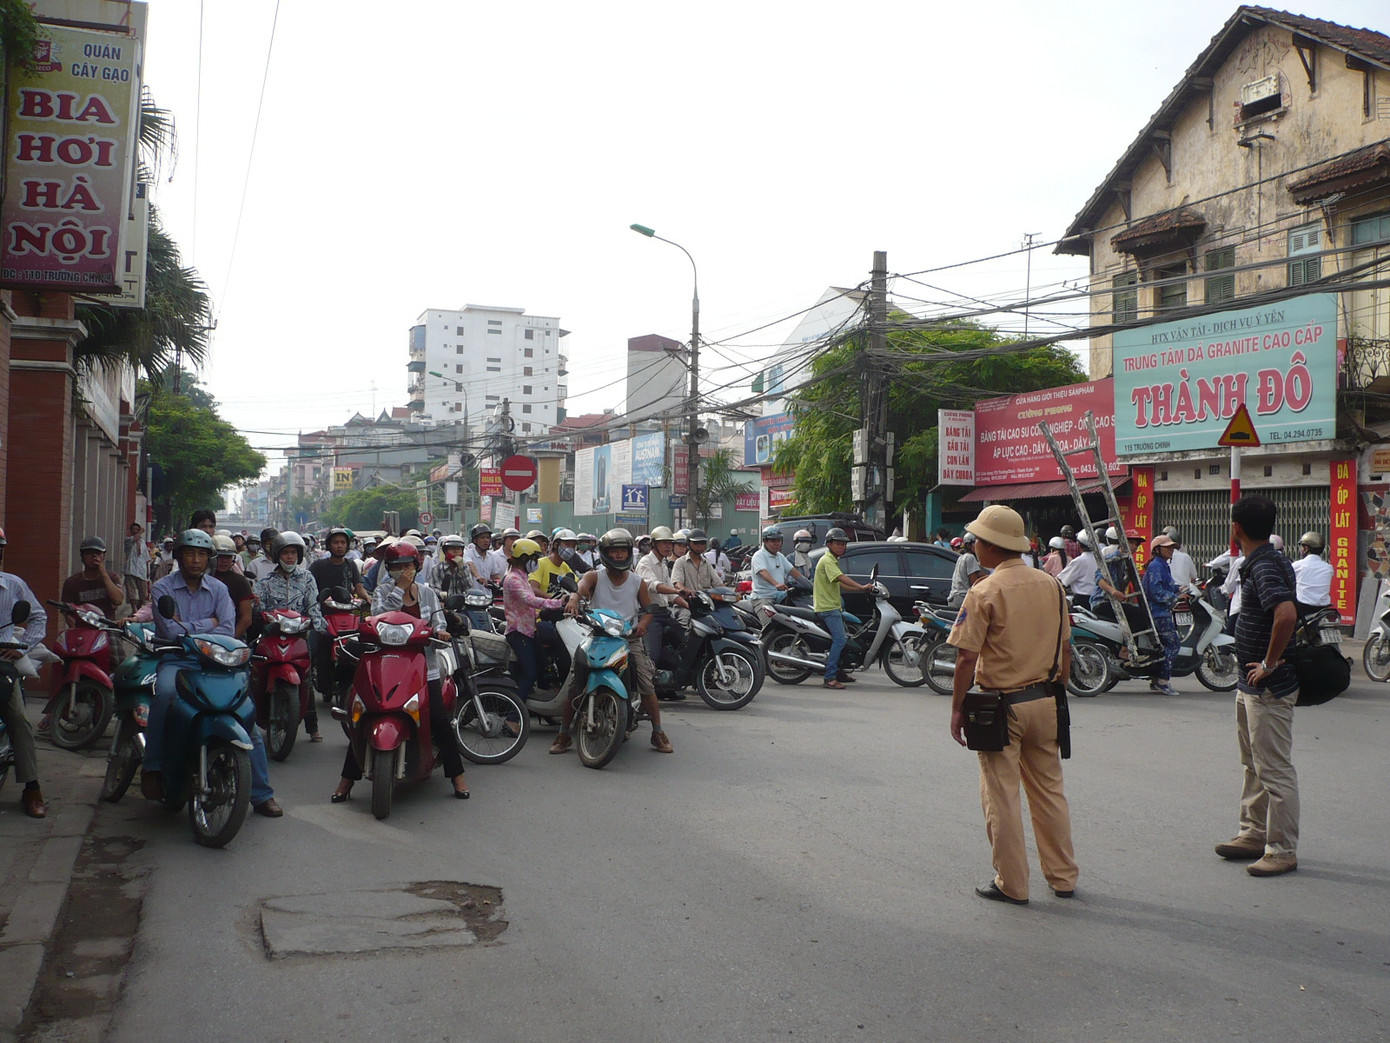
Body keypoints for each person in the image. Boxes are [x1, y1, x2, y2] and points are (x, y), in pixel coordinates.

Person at [947, 504, 1077, 906]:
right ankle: (1063, 877)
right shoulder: (1051, 584)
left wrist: (957, 709)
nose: (974, 546)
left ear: (988, 547)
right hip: (1046, 701)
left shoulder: (984, 590)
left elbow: (967, 657)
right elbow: (1066, 647)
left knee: (1001, 796)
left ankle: (1012, 884)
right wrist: (1059, 686)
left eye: (977, 541)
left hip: (1001, 707)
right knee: (1049, 793)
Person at [147, 529, 283, 817]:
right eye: (189, 554)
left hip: (216, 664)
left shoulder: (220, 589)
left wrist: (191, 626)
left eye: (201, 554)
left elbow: (226, 628)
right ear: (180, 556)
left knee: (246, 715)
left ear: (208, 558)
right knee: (165, 696)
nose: (195, 560)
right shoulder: (162, 588)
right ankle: (154, 765)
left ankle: (261, 794)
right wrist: (208, 622)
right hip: (177, 660)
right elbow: (170, 632)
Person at [331, 542, 469, 801]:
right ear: (388, 569)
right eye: (396, 567)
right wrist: (400, 589)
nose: (402, 571)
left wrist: (441, 631)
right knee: (363, 720)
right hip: (386, 666)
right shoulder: (383, 592)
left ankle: (457, 776)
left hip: (422, 667)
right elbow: (378, 617)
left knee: (439, 720)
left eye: (407, 566)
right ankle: (346, 781)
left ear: (417, 566)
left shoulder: (427, 593)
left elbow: (438, 621)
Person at [1215, 495, 1301, 877]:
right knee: (1253, 764)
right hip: (1248, 685)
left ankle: (1281, 849)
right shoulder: (1265, 560)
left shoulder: (1264, 566)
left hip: (1268, 687)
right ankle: (1253, 833)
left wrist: (1267, 663)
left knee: (1274, 769)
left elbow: (1286, 614)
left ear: (1236, 528)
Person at [549, 529, 672, 755]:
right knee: (577, 684)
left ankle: (658, 732)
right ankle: (564, 733)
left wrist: (643, 624)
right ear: (606, 554)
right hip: (597, 635)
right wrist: (575, 598)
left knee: (646, 682)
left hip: (628, 638)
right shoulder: (595, 576)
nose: (618, 556)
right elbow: (581, 588)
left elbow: (648, 610)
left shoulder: (638, 582)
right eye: (613, 551)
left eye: (622, 551)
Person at [253, 532, 327, 742]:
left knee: (306, 679)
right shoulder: (266, 581)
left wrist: (319, 624)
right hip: (272, 636)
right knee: (256, 673)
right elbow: (259, 607)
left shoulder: (307, 578)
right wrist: (256, 606)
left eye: (293, 553)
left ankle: (312, 727)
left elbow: (313, 605)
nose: (289, 557)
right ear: (277, 555)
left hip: (298, 635)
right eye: (285, 553)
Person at [0, 528, 51, 817]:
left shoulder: (14, 586)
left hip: (3, 660)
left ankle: (32, 787)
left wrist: (21, 646)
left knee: (17, 717)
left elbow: (38, 617)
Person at [501, 538, 567, 707]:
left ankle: (540, 708)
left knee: (544, 667)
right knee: (530, 674)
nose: (536, 562)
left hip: (530, 630)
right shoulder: (512, 579)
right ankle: (513, 717)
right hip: (518, 632)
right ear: (524, 559)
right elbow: (530, 600)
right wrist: (557, 603)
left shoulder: (524, 576)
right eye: (534, 559)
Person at [813, 527, 875, 689]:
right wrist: (860, 585)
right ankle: (830, 677)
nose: (842, 547)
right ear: (829, 544)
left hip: (834, 607)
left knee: (845, 639)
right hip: (828, 608)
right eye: (838, 544)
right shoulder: (827, 560)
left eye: (843, 544)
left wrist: (860, 589)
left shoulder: (833, 560)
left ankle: (839, 671)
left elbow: (838, 583)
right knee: (840, 640)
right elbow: (841, 578)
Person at [635, 526, 688, 688]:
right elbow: (654, 586)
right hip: (651, 615)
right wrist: (676, 590)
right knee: (653, 655)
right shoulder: (645, 563)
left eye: (670, 543)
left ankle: (669, 687)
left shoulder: (663, 565)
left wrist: (688, 603)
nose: (668, 547)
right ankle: (646, 688)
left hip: (665, 613)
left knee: (683, 642)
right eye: (664, 543)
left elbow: (671, 595)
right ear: (653, 545)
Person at [1143, 534, 1181, 696]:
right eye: (1168, 547)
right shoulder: (1157, 566)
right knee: (1173, 645)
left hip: (1161, 611)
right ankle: (1163, 681)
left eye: (1172, 547)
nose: (1171, 550)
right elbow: (1156, 591)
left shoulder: (1162, 565)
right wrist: (1175, 597)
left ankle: (1155, 679)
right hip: (1158, 613)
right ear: (1157, 550)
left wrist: (1181, 589)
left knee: (1162, 647)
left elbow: (1168, 586)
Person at [60, 536, 125, 619]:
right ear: (82, 556)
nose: (94, 556)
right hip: (82, 627)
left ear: (103, 556)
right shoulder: (72, 582)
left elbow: (118, 600)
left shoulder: (112, 577)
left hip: (107, 626)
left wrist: (103, 574)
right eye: (89, 553)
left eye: (98, 553)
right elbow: (67, 610)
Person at [748, 526, 806, 608]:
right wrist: (776, 584)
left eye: (779, 540)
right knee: (769, 619)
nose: (777, 543)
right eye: (773, 541)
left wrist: (809, 585)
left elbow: (794, 572)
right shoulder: (759, 556)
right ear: (765, 541)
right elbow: (763, 572)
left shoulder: (780, 556)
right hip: (763, 597)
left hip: (780, 596)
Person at [212, 535, 255, 639]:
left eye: (228, 557)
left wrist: (229, 639)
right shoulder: (201, 579)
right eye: (220, 557)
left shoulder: (240, 581)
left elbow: (246, 618)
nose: (224, 561)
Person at [671, 528, 718, 623]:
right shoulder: (680, 562)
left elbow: (718, 583)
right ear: (689, 544)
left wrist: (731, 594)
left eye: (702, 543)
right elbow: (677, 583)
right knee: (685, 622)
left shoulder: (707, 563)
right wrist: (687, 591)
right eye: (696, 543)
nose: (699, 546)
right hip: (686, 604)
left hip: (706, 604)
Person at [1292, 531, 1333, 609]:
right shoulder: (1328, 568)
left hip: (1302, 607)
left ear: (1306, 548)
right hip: (1323, 607)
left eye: (1301, 546)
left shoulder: (1297, 565)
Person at [948, 532, 987, 610]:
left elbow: (979, 573)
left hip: (954, 598)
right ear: (969, 545)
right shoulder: (970, 558)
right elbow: (974, 582)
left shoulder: (961, 557)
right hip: (963, 598)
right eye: (975, 543)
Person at [1057, 530, 1098, 604]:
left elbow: (1061, 580)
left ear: (1078, 544)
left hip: (1083, 600)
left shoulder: (1079, 561)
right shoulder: (1100, 559)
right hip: (1098, 598)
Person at [464, 523, 506, 592]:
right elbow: (470, 564)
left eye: (488, 537)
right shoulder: (468, 553)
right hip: (472, 597)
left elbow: (495, 576)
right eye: (482, 537)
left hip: (488, 597)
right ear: (475, 540)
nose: (486, 540)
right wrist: (478, 577)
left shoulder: (491, 556)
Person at [124, 522, 149, 609]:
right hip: (131, 568)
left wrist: (148, 571)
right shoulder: (128, 540)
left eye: (137, 529)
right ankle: (134, 609)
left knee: (143, 593)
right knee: (132, 592)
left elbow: (146, 558)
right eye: (134, 529)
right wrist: (140, 532)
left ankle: (139, 608)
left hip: (142, 570)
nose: (136, 531)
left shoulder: (143, 543)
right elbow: (134, 539)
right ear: (131, 531)